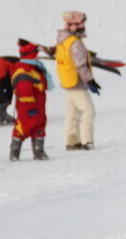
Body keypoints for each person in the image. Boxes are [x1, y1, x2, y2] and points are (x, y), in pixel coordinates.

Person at [54, 11, 100, 150]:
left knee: (73, 112)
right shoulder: (75, 43)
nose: (83, 27)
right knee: (88, 111)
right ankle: (87, 141)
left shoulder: (63, 40)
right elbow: (80, 64)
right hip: (77, 82)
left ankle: (71, 140)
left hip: (68, 81)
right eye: (81, 24)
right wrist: (90, 80)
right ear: (73, 25)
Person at [9, 40, 53, 161]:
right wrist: (28, 102)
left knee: (40, 124)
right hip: (27, 104)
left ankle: (39, 150)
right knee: (24, 126)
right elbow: (23, 87)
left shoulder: (35, 67)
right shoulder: (23, 69)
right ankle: (15, 151)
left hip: (39, 102)